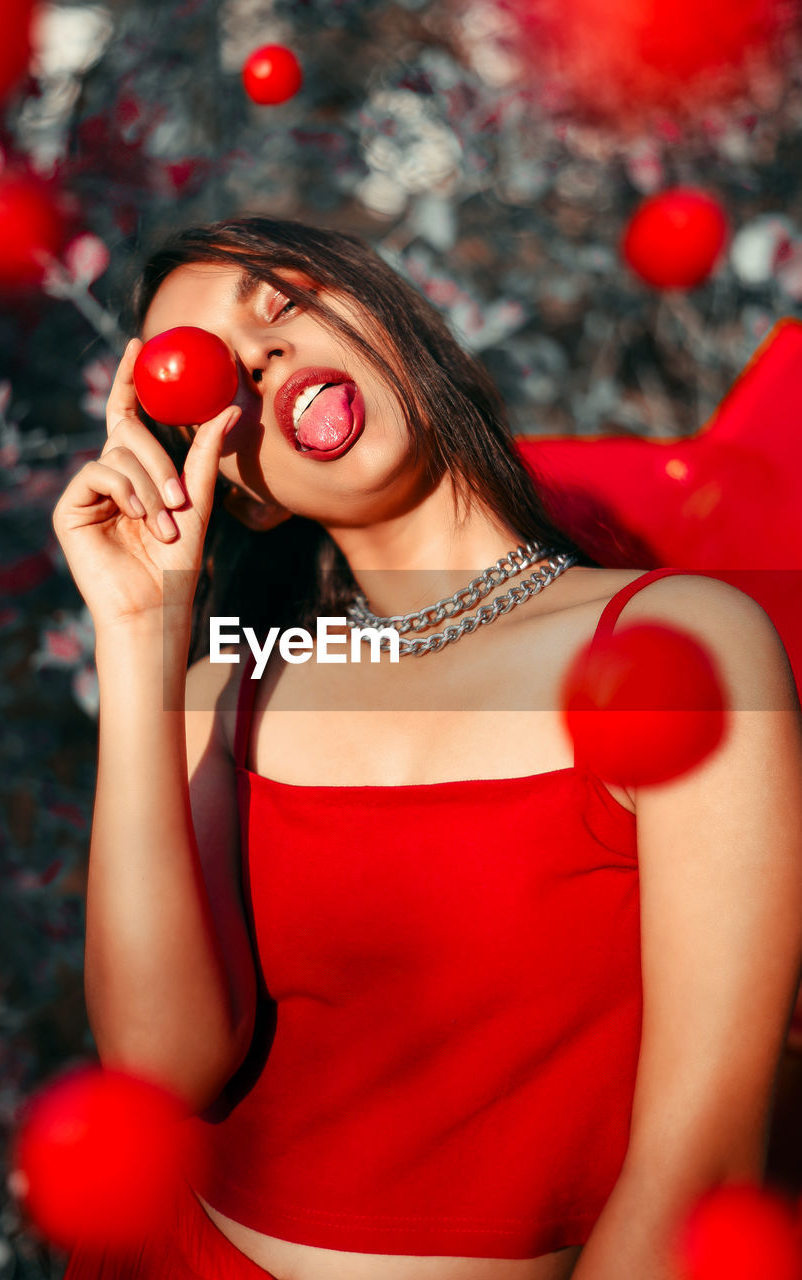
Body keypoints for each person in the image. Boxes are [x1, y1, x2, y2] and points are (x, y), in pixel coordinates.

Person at [52, 218, 802, 1280]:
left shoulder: (671, 643)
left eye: (280, 300)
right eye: (213, 378)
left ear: (388, 318)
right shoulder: (227, 685)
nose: (260, 354)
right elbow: (160, 1062)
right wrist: (140, 634)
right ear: (245, 492)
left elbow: (698, 1167)